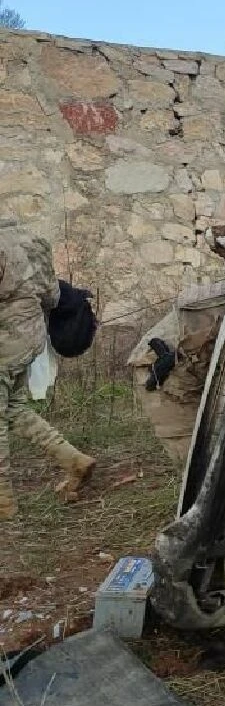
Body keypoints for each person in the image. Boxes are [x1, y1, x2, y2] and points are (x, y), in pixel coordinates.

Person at [0, 220, 95, 520]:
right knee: (14, 408)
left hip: (5, 337)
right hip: (30, 335)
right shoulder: (27, 236)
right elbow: (52, 296)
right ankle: (74, 460)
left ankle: (4, 501)